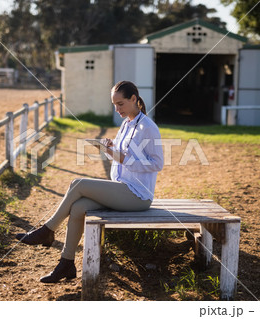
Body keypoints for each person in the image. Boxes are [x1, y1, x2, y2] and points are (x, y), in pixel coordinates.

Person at [15, 80, 164, 283]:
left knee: (79, 184)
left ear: (134, 99)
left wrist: (123, 157)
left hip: (138, 195)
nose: (117, 109)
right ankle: (66, 263)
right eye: (114, 105)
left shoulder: (148, 127)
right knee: (77, 208)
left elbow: (157, 164)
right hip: (122, 189)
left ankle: (47, 230)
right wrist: (110, 148)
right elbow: (122, 157)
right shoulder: (126, 124)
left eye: (120, 104)